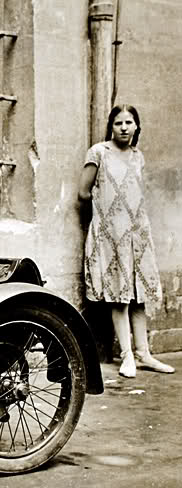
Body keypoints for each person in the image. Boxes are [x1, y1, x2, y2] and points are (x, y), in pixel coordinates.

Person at [78, 104, 174, 378]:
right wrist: (107, 218)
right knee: (119, 296)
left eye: (129, 122)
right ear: (111, 125)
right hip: (110, 234)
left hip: (137, 232)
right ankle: (127, 356)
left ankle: (144, 353)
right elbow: (83, 193)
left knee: (138, 295)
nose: (123, 127)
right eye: (118, 122)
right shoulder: (99, 152)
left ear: (136, 126)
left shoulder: (137, 156)